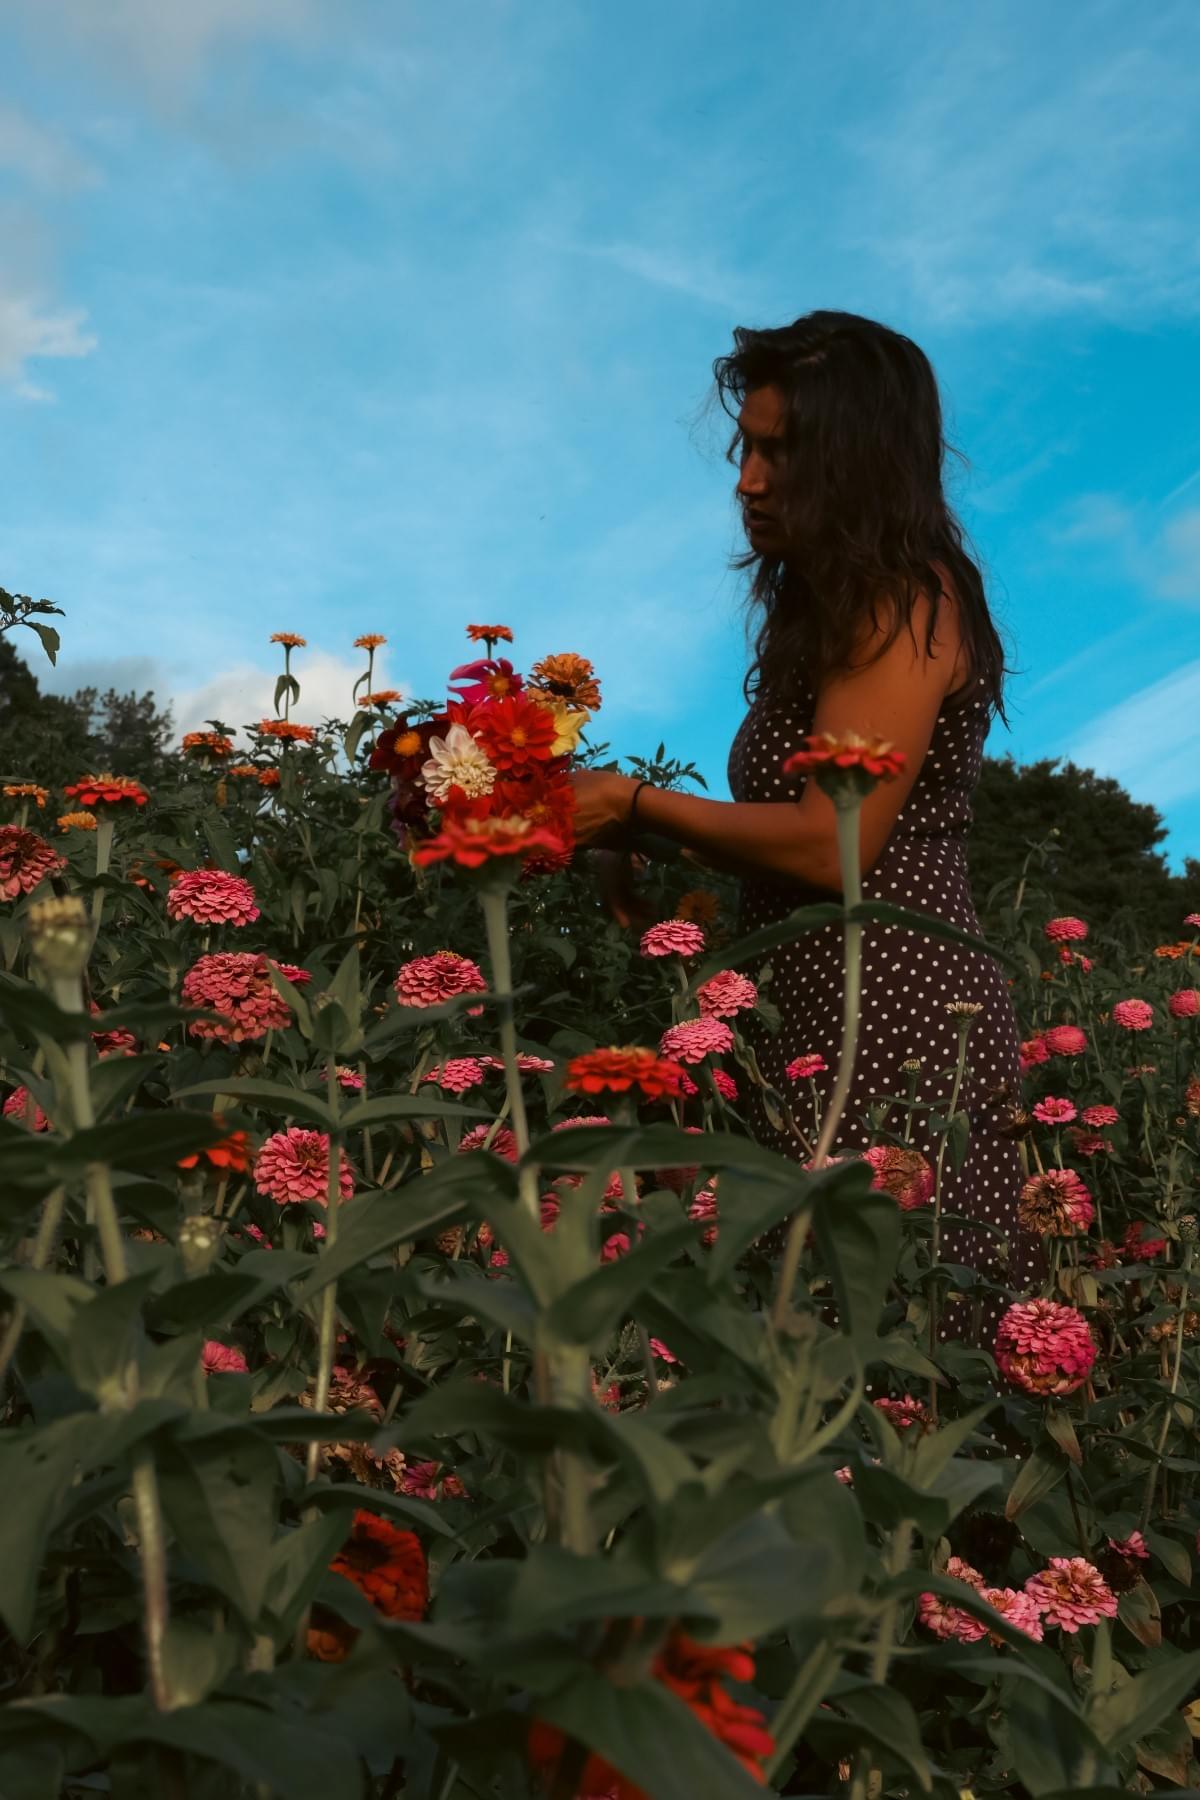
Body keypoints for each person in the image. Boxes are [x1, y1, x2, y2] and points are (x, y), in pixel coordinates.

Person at [570, 309, 1037, 1339]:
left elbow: (839, 847)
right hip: (821, 1008)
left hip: (903, 1022)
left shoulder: (905, 598)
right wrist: (630, 841)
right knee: (795, 1347)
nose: (747, 480)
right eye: (746, 447)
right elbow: (797, 827)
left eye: (780, 451)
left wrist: (632, 800)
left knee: (882, 1351)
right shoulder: (832, 609)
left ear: (857, 459)